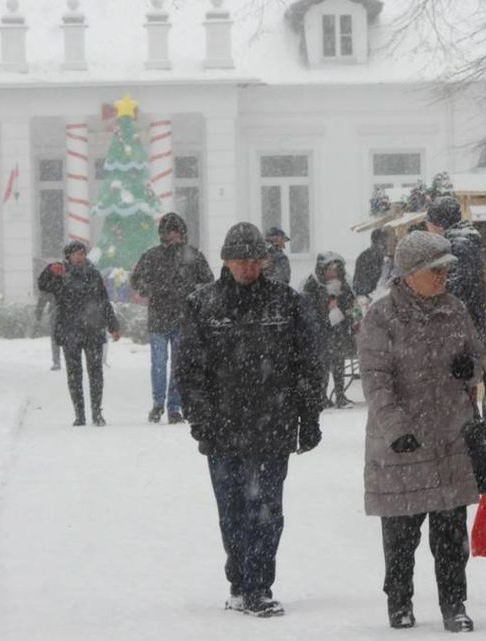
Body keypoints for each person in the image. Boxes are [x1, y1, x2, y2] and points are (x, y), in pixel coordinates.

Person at [176, 222, 325, 618]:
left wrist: (309, 414)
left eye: (255, 259)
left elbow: (309, 363)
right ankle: (239, 579)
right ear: (226, 261)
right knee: (232, 509)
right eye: (240, 260)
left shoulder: (286, 304)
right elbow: (189, 369)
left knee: (266, 509)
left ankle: (259, 584)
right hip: (223, 427)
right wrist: (200, 419)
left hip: (272, 424)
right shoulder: (202, 305)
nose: (248, 268)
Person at [360, 230, 481, 632]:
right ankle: (399, 601)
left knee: (450, 535)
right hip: (402, 443)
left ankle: (455, 603)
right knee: (401, 533)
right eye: (435, 270)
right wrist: (397, 429)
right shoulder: (382, 317)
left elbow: (475, 356)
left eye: (447, 269)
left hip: (449, 435)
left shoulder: (456, 310)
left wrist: (471, 368)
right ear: (409, 273)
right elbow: (376, 380)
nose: (443, 277)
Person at [130, 212, 215, 424]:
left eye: (176, 231)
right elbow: (136, 280)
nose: (173, 235)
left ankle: (173, 406)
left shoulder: (192, 256)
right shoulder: (153, 256)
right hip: (159, 318)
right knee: (159, 364)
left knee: (177, 365)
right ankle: (158, 403)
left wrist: (194, 297)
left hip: (183, 319)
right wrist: (149, 289)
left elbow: (208, 281)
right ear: (163, 233)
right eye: (169, 231)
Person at [37, 241, 122, 426]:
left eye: (82, 253)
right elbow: (42, 285)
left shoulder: (93, 274)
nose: (80, 257)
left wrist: (113, 325)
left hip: (93, 329)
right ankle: (79, 414)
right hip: (70, 331)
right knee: (74, 374)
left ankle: (97, 413)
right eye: (76, 254)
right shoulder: (61, 275)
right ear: (68, 256)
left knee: (95, 373)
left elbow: (103, 301)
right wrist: (50, 270)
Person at [302, 252, 358, 409]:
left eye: (335, 269)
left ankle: (340, 395)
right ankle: (322, 396)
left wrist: (343, 307)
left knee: (338, 361)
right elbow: (307, 308)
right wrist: (325, 306)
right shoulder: (311, 284)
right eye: (329, 269)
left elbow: (351, 303)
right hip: (320, 330)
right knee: (322, 364)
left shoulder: (343, 284)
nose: (333, 273)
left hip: (338, 329)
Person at [426, 197, 485, 337]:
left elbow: (455, 289)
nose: (428, 229)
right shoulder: (461, 243)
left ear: (439, 225)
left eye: (428, 223)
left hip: (459, 332)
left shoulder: (456, 247)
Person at [353, 228, 391, 298]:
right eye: (382, 242)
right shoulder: (364, 258)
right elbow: (359, 285)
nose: (385, 245)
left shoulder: (386, 258)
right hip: (370, 298)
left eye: (386, 242)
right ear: (374, 242)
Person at [33, 289, 61, 370]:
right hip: (67, 314)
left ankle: (56, 362)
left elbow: (43, 297)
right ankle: (62, 361)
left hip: (57, 313)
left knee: (55, 339)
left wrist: (38, 312)